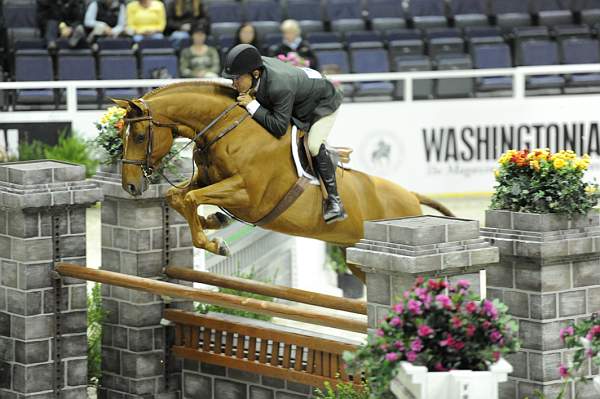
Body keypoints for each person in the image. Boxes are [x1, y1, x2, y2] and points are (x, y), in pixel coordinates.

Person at [221, 44, 346, 223]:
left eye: (237, 79)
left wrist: (252, 104)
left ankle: (334, 201)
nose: (234, 84)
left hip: (323, 104)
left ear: (255, 74)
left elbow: (279, 127)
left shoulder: (279, 85)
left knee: (313, 145)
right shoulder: (255, 68)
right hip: (300, 96)